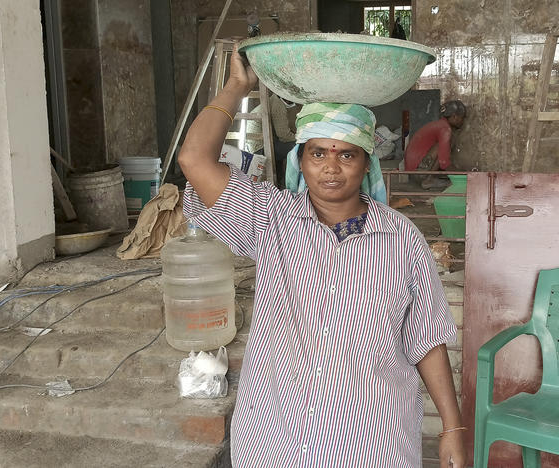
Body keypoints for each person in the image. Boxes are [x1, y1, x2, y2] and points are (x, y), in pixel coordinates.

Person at [178, 46, 466, 468]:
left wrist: (453, 429)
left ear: (366, 163)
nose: (331, 167)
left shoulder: (402, 239)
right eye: (318, 153)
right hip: (275, 441)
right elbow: (193, 159)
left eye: (346, 154)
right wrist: (237, 87)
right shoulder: (269, 220)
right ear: (301, 160)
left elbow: (427, 341)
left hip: (371, 442)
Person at [404, 100, 466, 189]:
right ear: (454, 116)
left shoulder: (439, 124)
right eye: (462, 117)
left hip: (412, 172)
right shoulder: (445, 129)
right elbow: (444, 162)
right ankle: (428, 180)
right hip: (418, 172)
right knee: (445, 145)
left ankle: (429, 177)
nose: (462, 121)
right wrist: (463, 175)